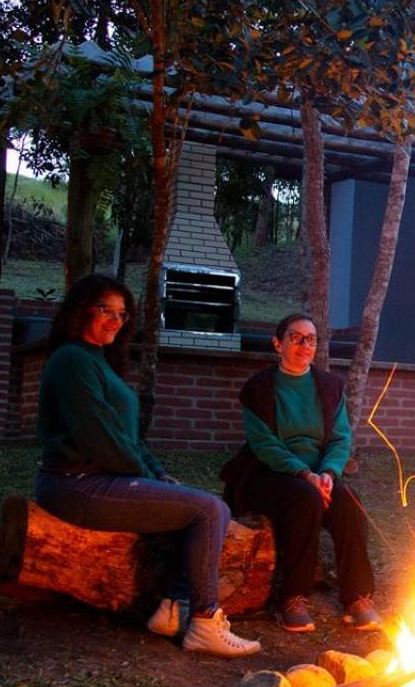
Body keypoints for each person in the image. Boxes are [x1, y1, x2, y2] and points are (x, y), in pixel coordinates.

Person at [33, 274, 261, 658]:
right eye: (105, 309)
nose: (114, 320)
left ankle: (171, 609)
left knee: (195, 505)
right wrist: (143, 474)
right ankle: (204, 621)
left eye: (122, 314)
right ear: (81, 309)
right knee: (210, 509)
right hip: (76, 485)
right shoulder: (71, 359)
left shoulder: (98, 361)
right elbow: (98, 435)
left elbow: (129, 437)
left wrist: (156, 474)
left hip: (102, 478)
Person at [220, 313, 380, 633]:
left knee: (348, 503)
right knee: (306, 499)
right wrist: (305, 474)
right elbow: (264, 445)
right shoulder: (260, 388)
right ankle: (292, 598)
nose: (305, 345)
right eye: (296, 338)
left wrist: (329, 474)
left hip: (318, 475)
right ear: (278, 344)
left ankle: (357, 598)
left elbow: (340, 438)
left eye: (311, 339)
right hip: (267, 474)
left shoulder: (330, 386)